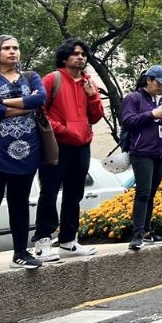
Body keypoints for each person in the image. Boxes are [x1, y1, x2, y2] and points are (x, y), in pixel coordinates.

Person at [0, 35, 47, 274]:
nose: (13, 52)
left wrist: (5, 104)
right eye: (7, 48)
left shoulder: (31, 77)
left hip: (27, 151)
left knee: (20, 204)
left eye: (16, 47)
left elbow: (40, 99)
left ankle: (21, 254)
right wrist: (25, 105)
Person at [31, 38, 104, 262]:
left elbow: (96, 116)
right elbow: (39, 111)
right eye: (75, 53)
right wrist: (62, 130)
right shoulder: (53, 79)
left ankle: (68, 241)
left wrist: (92, 95)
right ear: (64, 57)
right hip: (56, 144)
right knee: (50, 191)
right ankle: (43, 242)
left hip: (81, 145)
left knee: (74, 193)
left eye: (83, 54)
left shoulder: (87, 82)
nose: (80, 57)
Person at [120, 65, 162, 251]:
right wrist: (151, 114)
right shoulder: (133, 98)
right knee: (143, 192)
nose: (161, 87)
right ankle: (137, 234)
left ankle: (148, 232)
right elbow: (127, 121)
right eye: (158, 83)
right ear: (148, 80)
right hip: (141, 152)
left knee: (152, 193)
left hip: (160, 152)